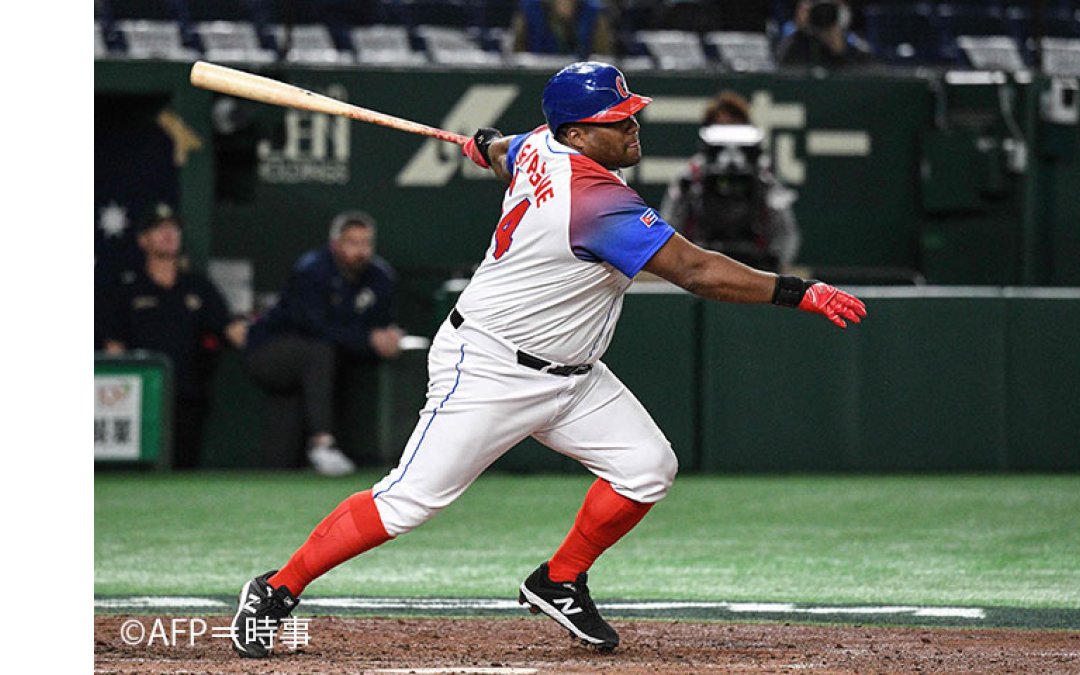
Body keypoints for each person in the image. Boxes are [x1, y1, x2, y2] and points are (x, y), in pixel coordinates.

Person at [229, 61, 865, 658]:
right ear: (578, 135)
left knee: (647, 469)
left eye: (631, 113)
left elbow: (508, 149)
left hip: (574, 375)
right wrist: (798, 291)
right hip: (489, 366)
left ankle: (558, 580)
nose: (633, 126)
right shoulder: (591, 199)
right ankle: (275, 589)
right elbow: (696, 271)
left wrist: (488, 147)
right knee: (408, 502)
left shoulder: (541, 143)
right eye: (618, 120)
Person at [241, 211, 404, 477]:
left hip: (316, 368)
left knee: (280, 459)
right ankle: (322, 442)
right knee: (318, 351)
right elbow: (317, 328)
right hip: (269, 352)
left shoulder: (380, 276)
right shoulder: (312, 271)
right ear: (336, 244)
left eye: (366, 243)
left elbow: (383, 323)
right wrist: (367, 339)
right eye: (352, 243)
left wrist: (388, 336)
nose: (360, 251)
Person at [97, 203, 248, 469]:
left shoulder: (198, 287)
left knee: (183, 469)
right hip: (138, 403)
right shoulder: (126, 288)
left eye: (174, 229)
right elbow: (114, 348)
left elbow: (233, 332)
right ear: (143, 240)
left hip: (187, 399)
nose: (169, 234)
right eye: (159, 229)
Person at [660, 90, 801, 272]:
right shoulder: (691, 176)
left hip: (755, 270)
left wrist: (774, 265)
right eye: (720, 126)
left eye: (733, 125)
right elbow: (671, 223)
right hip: (699, 266)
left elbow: (785, 230)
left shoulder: (764, 176)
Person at [775, 0, 874, 69]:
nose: (824, 14)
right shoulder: (794, 42)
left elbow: (866, 76)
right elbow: (783, 71)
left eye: (830, 7)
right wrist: (801, 30)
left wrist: (840, 51)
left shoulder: (853, 43)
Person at [511, 0, 615, 60]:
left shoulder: (593, 14)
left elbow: (603, 54)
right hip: (538, 75)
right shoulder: (529, 11)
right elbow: (518, 54)